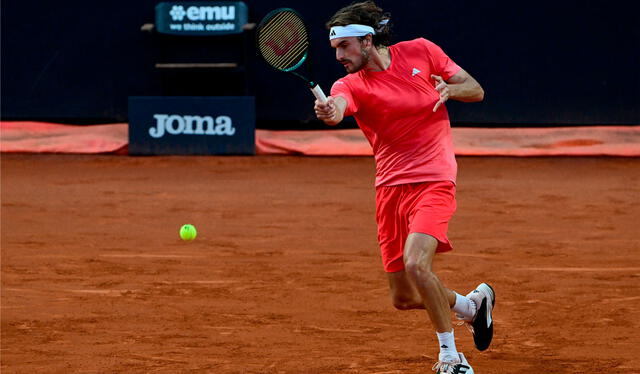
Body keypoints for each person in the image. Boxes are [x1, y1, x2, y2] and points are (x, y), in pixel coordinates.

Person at [314, 2, 494, 373]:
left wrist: (450, 89)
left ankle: (450, 357)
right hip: (390, 190)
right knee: (404, 297)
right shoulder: (348, 85)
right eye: (335, 49)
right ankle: (472, 307)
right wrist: (332, 111)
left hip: (434, 179)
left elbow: (474, 89)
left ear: (366, 41)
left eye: (344, 47)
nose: (338, 56)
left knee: (416, 263)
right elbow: (340, 105)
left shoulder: (422, 51)